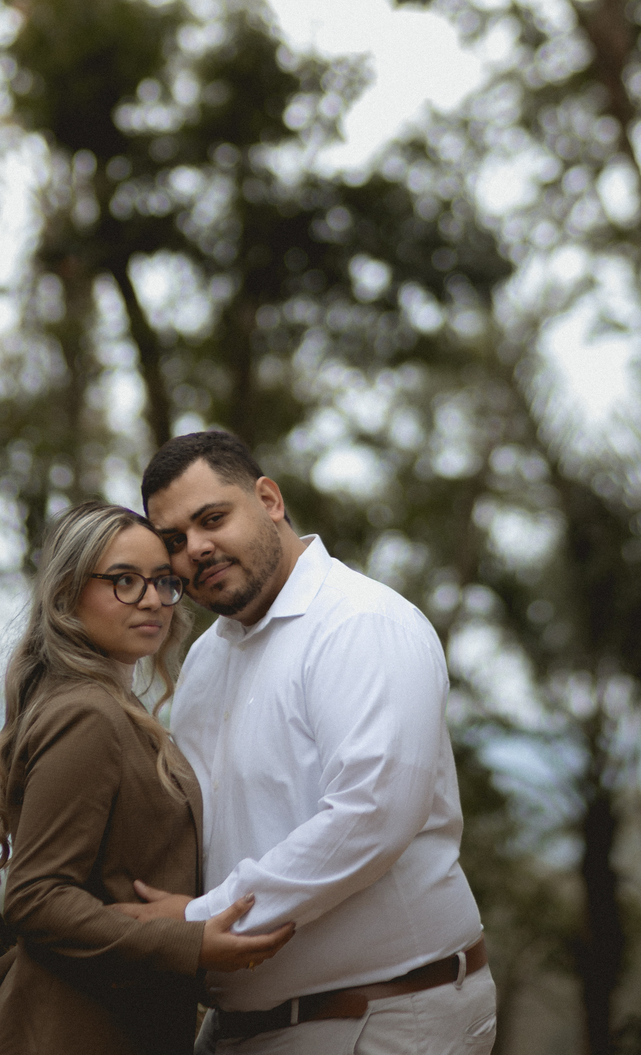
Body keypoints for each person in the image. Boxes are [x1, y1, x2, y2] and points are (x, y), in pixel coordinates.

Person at [120, 430, 496, 1055]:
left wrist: (196, 923)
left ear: (269, 500)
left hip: (380, 1018)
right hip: (244, 1028)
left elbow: (370, 816)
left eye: (213, 519)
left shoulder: (359, 622)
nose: (198, 549)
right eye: (175, 541)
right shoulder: (207, 658)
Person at [0, 499, 293, 1055]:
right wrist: (189, 942)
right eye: (124, 581)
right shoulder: (87, 714)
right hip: (69, 1029)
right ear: (68, 595)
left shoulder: (108, 707)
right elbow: (34, 897)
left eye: (164, 581)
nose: (152, 600)